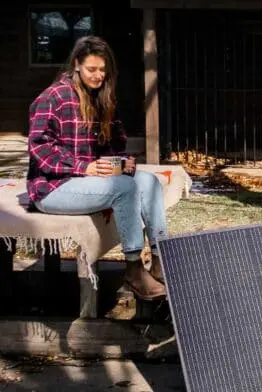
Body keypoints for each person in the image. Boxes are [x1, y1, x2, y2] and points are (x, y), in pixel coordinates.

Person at [26, 36, 166, 301]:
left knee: (148, 181)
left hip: (87, 182)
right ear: (77, 64)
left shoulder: (101, 96)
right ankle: (133, 268)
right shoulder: (53, 97)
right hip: (52, 187)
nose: (98, 75)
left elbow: (113, 144)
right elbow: (40, 149)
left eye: (103, 70)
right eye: (92, 69)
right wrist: (84, 167)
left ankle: (161, 260)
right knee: (125, 188)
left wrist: (122, 161)